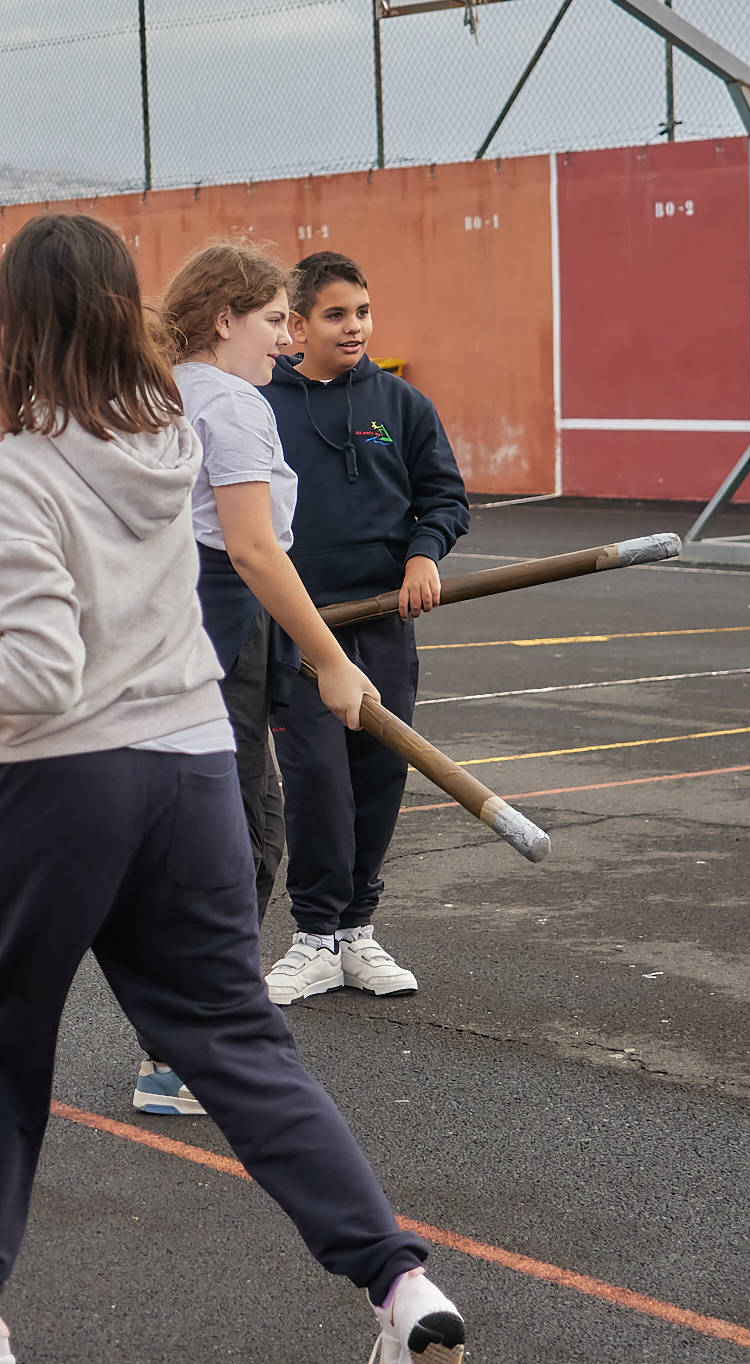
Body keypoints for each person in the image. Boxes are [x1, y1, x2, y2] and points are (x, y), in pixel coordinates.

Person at [0, 217, 465, 1364]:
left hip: (59, 783)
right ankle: (395, 1283)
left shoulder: (23, 473)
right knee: (237, 1041)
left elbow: (31, 673)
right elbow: (63, 404)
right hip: (189, 773)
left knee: (0, 1047)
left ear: (21, 325)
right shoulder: (174, 432)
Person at [128, 240, 381, 1117]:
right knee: (231, 840)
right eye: (276, 320)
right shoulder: (230, 406)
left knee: (240, 832)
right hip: (217, 627)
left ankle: (194, 1038)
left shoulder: (163, 391)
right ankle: (187, 1050)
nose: (285, 338)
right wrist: (332, 659)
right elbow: (252, 548)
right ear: (223, 318)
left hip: (195, 627)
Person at [259, 253, 469, 1005]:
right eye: (337, 315)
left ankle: (356, 932)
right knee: (318, 779)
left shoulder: (402, 404)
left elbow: (445, 499)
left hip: (383, 621)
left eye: (363, 313)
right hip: (299, 630)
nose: (354, 328)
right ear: (298, 324)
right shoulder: (261, 404)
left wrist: (423, 556)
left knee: (380, 774)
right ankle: (313, 936)